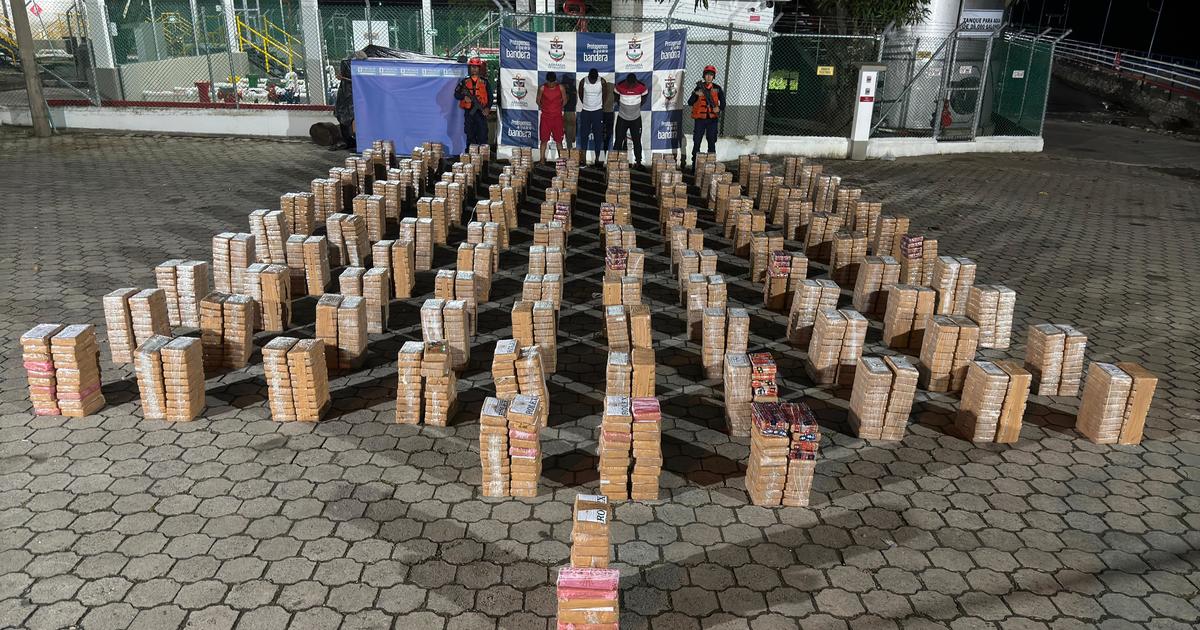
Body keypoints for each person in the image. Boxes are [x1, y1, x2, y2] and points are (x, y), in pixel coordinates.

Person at [687, 64, 725, 168]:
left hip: (712, 120)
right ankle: (695, 165)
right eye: (707, 75)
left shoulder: (717, 88)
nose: (709, 77)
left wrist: (719, 108)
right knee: (697, 142)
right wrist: (696, 94)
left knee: (711, 141)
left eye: (711, 75)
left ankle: (711, 165)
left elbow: (723, 103)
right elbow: (690, 102)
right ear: (704, 76)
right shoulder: (699, 87)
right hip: (700, 120)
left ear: (713, 77)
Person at [454, 57, 492, 147]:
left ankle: (483, 155)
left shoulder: (485, 82)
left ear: (479, 68)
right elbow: (456, 94)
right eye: (472, 67)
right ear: (469, 68)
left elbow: (490, 97)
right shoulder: (464, 82)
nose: (474, 69)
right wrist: (464, 97)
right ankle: (470, 154)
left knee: (483, 136)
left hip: (481, 114)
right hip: (469, 114)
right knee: (470, 136)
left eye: (476, 67)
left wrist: (487, 108)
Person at [613, 73, 648, 168]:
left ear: (636, 82)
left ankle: (638, 162)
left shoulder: (642, 87)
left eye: (633, 84)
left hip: (636, 119)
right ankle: (615, 162)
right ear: (626, 81)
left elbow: (644, 98)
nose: (631, 86)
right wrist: (622, 105)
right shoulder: (619, 86)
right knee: (618, 140)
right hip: (622, 118)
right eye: (629, 84)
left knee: (637, 141)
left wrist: (636, 107)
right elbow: (616, 96)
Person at [577, 68, 610, 166]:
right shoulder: (583, 81)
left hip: (597, 112)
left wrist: (599, 106)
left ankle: (597, 159)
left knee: (598, 136)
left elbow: (605, 95)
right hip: (586, 111)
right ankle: (583, 160)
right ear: (588, 76)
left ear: (597, 77)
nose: (593, 81)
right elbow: (580, 94)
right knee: (584, 136)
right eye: (591, 79)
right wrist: (587, 105)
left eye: (594, 79)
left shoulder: (602, 81)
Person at [537, 72, 567, 164]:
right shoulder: (542, 88)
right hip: (545, 118)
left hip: (557, 118)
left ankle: (561, 161)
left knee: (559, 141)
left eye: (552, 82)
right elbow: (538, 100)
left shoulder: (561, 88)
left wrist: (558, 108)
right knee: (543, 140)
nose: (551, 84)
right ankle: (542, 159)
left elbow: (565, 100)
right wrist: (544, 108)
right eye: (549, 82)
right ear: (547, 81)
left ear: (555, 81)